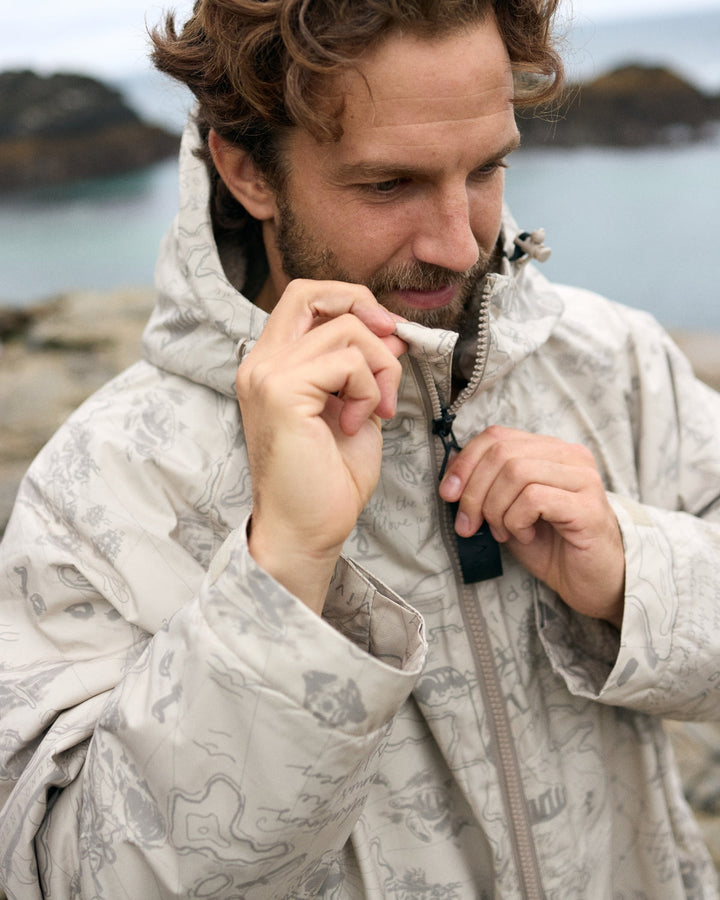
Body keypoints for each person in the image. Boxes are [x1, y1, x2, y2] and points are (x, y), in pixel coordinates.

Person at [1, 0, 719, 896]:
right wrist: (284, 574)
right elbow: (62, 877)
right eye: (389, 185)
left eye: (487, 168)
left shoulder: (618, 364)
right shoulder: (100, 485)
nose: (461, 243)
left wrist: (631, 573)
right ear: (246, 173)